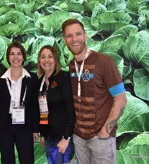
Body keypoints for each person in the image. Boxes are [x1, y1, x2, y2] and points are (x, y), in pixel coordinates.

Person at [62, 18, 127, 164]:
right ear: (64, 40)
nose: (74, 39)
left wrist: (105, 131)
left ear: (86, 36)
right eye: (69, 36)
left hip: (100, 138)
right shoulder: (72, 66)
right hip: (79, 137)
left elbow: (121, 99)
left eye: (78, 34)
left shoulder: (104, 62)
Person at [0, 42, 40, 164]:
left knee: (27, 159)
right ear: (8, 57)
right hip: (4, 125)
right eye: (12, 54)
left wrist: (35, 129)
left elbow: (34, 105)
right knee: (7, 160)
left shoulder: (32, 78)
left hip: (25, 125)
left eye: (19, 54)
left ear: (23, 57)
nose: (15, 57)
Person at [37, 45, 76, 164]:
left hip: (63, 136)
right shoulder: (40, 83)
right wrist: (43, 134)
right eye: (42, 57)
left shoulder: (64, 78)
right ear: (39, 61)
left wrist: (66, 138)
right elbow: (43, 111)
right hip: (49, 136)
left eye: (50, 56)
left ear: (56, 59)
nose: (46, 60)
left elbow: (71, 109)